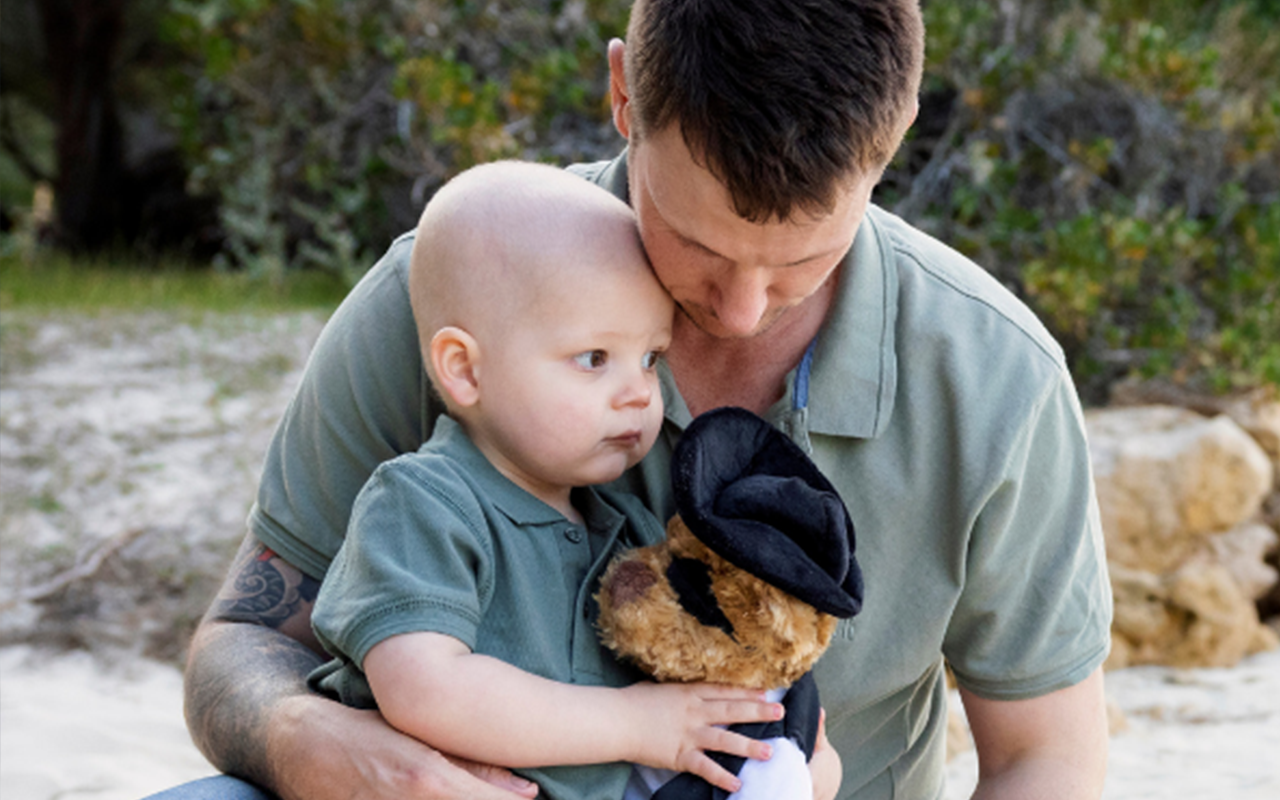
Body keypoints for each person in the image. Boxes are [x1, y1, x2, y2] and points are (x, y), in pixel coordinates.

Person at [176, 1, 1113, 799]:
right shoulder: (461, 287)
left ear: (899, 129)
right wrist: (310, 744)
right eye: (695, 243)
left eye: (799, 259)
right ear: (624, 94)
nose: (741, 309)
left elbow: (1045, 757)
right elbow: (244, 638)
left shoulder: (997, 377)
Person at [305, 159, 781, 800]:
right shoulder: (425, 503)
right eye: (594, 359)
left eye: (650, 358)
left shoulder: (623, 528)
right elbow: (425, 689)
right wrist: (634, 723)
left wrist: (785, 748)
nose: (639, 394)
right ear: (465, 371)